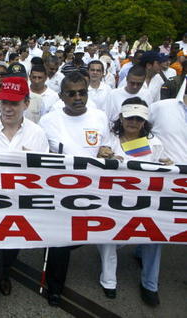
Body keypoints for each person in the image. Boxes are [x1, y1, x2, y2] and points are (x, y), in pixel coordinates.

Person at [0, 76, 49, 318]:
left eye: (14, 103)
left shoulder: (37, 134)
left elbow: (45, 174)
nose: (7, 107)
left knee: (12, 248)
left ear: (26, 104)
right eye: (3, 102)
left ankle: (5, 274)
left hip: (21, 205)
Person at [39, 71, 113, 307]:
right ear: (61, 96)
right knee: (59, 242)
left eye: (82, 92)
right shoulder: (48, 121)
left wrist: (107, 152)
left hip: (92, 191)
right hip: (58, 191)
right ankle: (55, 287)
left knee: (78, 236)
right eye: (71, 94)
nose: (78, 97)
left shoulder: (100, 117)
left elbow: (108, 146)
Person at [97, 97, 171, 305]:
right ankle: (108, 280)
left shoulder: (154, 144)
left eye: (139, 119)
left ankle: (150, 284)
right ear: (121, 117)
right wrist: (101, 156)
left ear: (145, 122)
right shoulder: (109, 139)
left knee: (157, 236)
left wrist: (168, 166)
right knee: (108, 236)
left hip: (144, 203)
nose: (134, 122)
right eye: (130, 117)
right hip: (112, 202)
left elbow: (163, 172)